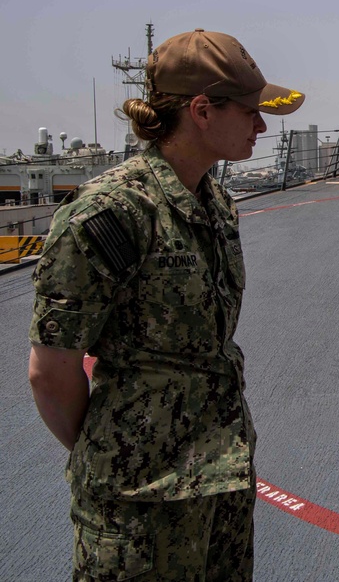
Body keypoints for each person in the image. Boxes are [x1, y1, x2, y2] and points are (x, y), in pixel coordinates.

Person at [27, 29, 305, 581]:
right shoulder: (110, 214)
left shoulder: (216, 203)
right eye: (250, 110)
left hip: (221, 485)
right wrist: (121, 454)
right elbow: (50, 372)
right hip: (138, 509)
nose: (262, 124)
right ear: (202, 111)